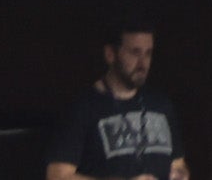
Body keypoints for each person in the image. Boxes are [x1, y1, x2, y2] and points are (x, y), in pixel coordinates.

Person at [43, 23, 186, 180]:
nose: (142, 63)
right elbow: (57, 176)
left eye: (148, 53)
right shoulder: (83, 108)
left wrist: (179, 174)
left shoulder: (161, 104)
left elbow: (178, 164)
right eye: (135, 53)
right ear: (111, 54)